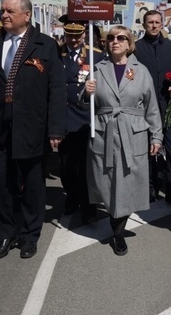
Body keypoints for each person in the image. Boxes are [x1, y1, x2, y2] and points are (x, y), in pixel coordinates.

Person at [0, 0, 66, 260]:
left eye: (10, 11)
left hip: (31, 126)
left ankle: (30, 235)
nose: (4, 15)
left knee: (32, 184)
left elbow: (56, 89)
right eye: (3, 11)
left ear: (27, 15)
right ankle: (6, 233)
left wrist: (55, 130)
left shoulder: (44, 45)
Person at [81, 25, 163, 255]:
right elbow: (85, 104)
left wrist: (156, 135)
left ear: (129, 43)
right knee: (106, 184)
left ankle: (118, 233)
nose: (115, 41)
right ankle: (113, 218)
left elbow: (152, 107)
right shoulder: (97, 69)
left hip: (132, 133)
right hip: (104, 132)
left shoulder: (141, 70)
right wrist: (86, 93)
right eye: (110, 38)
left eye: (121, 38)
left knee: (127, 183)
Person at [134, 10, 171, 207]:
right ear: (144, 24)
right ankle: (150, 188)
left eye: (157, 22)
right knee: (148, 150)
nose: (154, 26)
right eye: (150, 22)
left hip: (169, 107)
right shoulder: (136, 48)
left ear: (162, 24)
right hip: (145, 109)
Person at [57, 15, 103, 223]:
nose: (73, 40)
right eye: (69, 35)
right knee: (66, 165)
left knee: (86, 166)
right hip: (64, 116)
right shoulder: (57, 54)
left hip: (85, 118)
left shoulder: (96, 56)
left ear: (84, 33)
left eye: (77, 36)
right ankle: (71, 199)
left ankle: (88, 206)